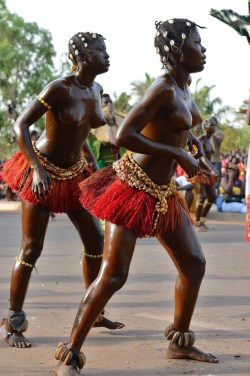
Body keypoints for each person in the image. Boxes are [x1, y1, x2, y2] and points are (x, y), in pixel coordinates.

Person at [54, 18, 218, 375]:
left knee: (194, 264)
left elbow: (187, 136)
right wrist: (178, 156)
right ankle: (71, 353)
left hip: (163, 192)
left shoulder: (185, 88)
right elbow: (124, 135)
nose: (204, 50)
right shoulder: (162, 88)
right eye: (197, 43)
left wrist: (200, 159)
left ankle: (180, 342)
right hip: (131, 187)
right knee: (113, 275)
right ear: (177, 49)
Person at [0, 31, 124, 349]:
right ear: (82, 56)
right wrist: (35, 167)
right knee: (31, 249)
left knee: (96, 241)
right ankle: (13, 323)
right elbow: (21, 126)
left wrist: (96, 171)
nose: (107, 55)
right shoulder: (60, 88)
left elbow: (83, 134)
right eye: (100, 49)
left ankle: (94, 312)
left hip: (73, 174)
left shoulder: (97, 89)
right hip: (41, 172)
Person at [189, 117, 220, 231]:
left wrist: (211, 170)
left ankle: (202, 221)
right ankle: (197, 223)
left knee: (212, 196)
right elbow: (202, 157)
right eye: (211, 125)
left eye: (214, 125)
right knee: (201, 197)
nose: (213, 127)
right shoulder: (200, 139)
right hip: (199, 172)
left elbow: (209, 157)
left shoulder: (209, 140)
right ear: (205, 127)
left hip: (207, 172)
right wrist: (212, 169)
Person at [88, 93, 126, 168]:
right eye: (106, 102)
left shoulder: (121, 120)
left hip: (120, 161)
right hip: (102, 162)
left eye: (110, 102)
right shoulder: (93, 123)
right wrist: (100, 143)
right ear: (100, 105)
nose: (109, 105)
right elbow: (89, 143)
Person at [210, 117, 224, 194]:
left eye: (212, 123)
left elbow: (219, 141)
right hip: (206, 161)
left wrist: (212, 132)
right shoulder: (205, 133)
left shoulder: (220, 132)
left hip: (216, 161)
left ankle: (217, 199)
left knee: (216, 181)